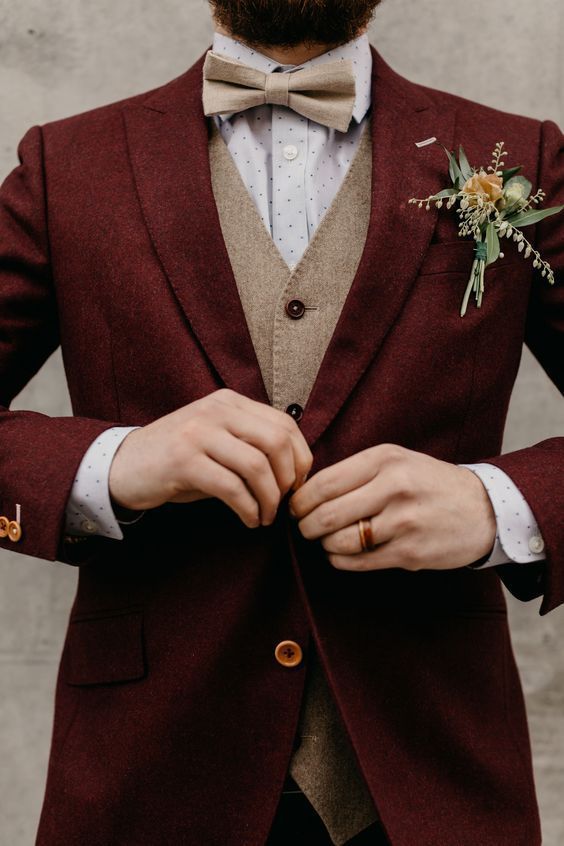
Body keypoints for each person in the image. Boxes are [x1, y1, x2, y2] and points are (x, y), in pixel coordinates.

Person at [0, 1, 562, 844]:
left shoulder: (521, 158)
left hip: (432, 776)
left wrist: (498, 506)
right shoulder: (66, 164)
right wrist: (111, 464)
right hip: (146, 781)